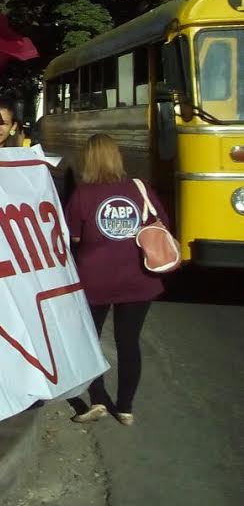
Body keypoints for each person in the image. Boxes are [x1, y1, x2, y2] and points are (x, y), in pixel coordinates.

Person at [65, 134, 166, 426]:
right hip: (138, 279)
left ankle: (97, 399)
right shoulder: (139, 188)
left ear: (88, 159)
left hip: (94, 281)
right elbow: (162, 224)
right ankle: (125, 408)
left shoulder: (83, 195)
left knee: (90, 342)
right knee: (129, 342)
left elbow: (75, 237)